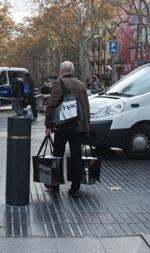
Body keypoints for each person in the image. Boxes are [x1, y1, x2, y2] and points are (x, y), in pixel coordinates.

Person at [45, 61, 91, 198]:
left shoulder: (59, 83)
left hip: (63, 126)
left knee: (58, 154)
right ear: (72, 70)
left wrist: (48, 125)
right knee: (76, 156)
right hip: (79, 126)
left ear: (61, 71)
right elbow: (86, 107)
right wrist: (87, 127)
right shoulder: (81, 84)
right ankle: (75, 188)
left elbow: (52, 105)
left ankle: (55, 185)